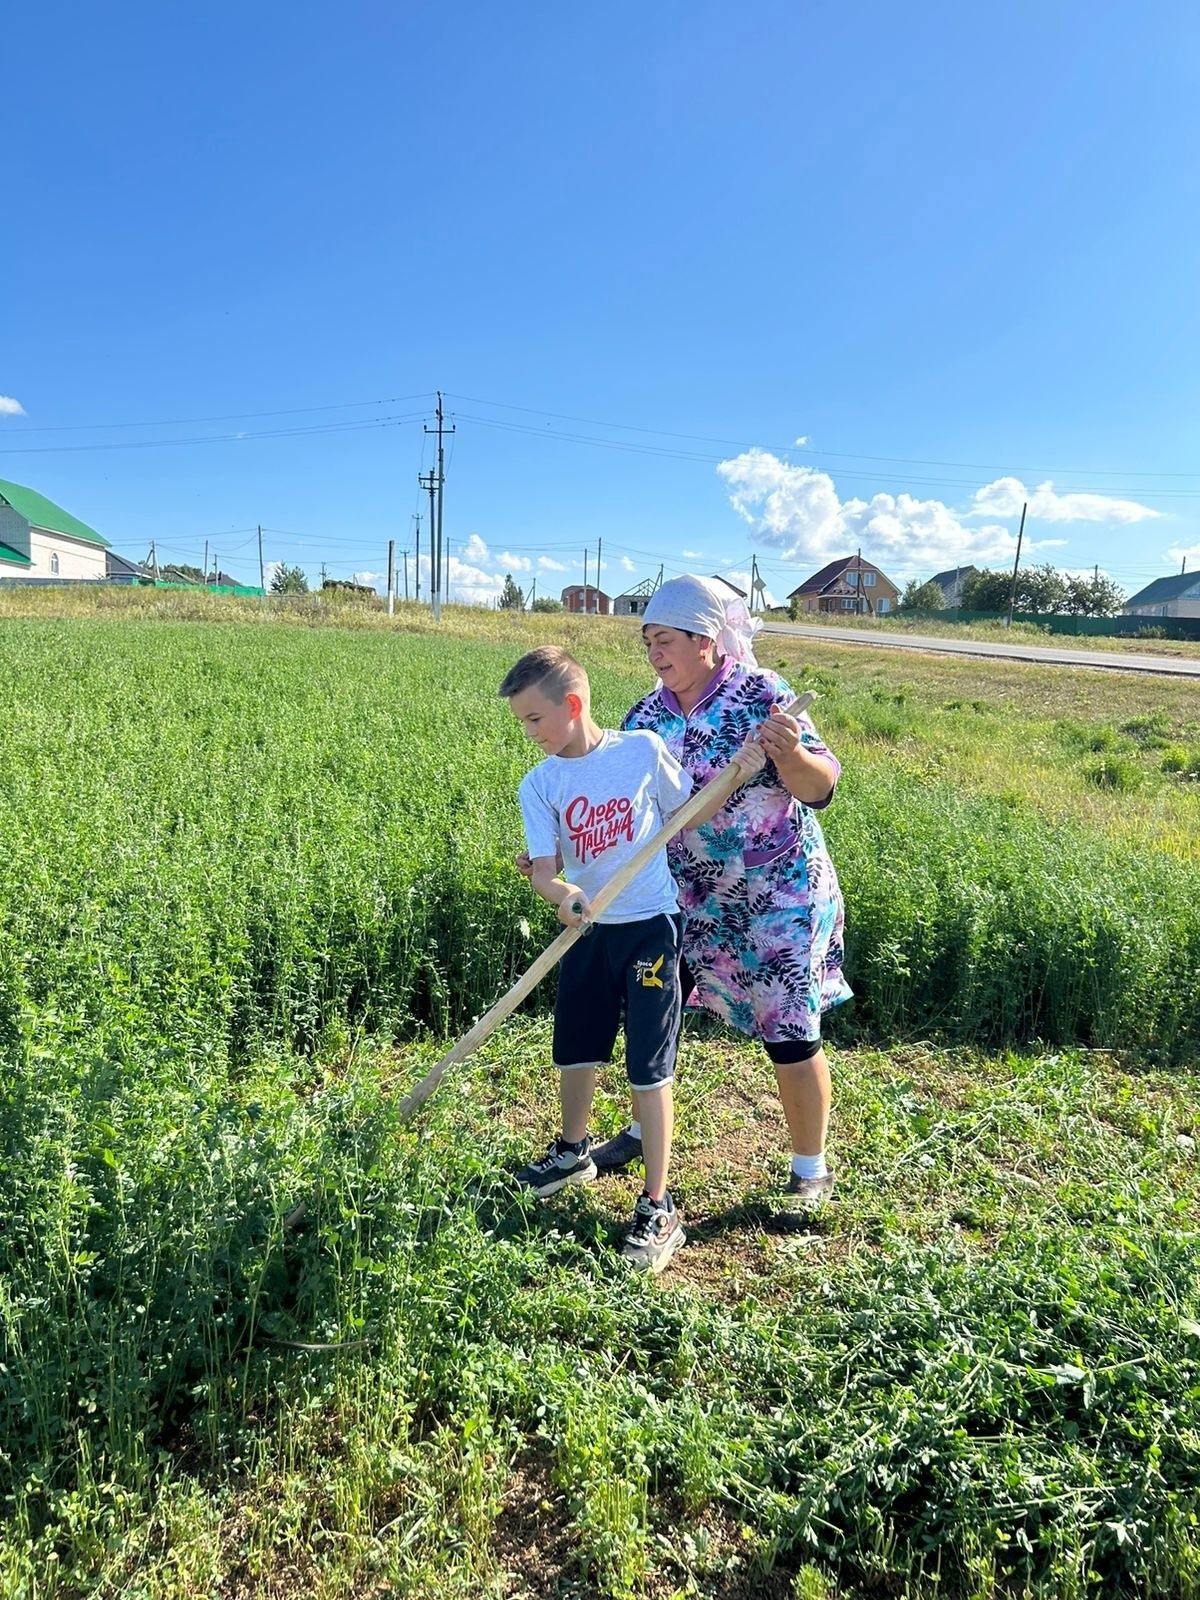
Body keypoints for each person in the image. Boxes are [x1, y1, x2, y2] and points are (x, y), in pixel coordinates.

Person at [592, 575, 852, 1220]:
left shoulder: (764, 698)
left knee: (789, 1031)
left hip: (775, 894)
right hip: (683, 898)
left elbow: (820, 787)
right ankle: (641, 1131)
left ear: (707, 640)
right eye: (648, 640)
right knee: (656, 1015)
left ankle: (809, 1170)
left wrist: (790, 754)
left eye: (666, 639)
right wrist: (569, 860)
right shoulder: (645, 716)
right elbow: (623, 805)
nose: (654, 652)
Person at [500, 644, 764, 1272]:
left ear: (572, 704)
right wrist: (563, 894)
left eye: (535, 719)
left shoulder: (641, 751)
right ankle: (572, 1152)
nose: (529, 733)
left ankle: (657, 1201)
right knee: (577, 1046)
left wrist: (741, 772)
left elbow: (686, 811)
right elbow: (543, 871)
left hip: (650, 927)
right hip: (590, 934)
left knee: (649, 1061)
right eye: (522, 723)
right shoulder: (539, 783)